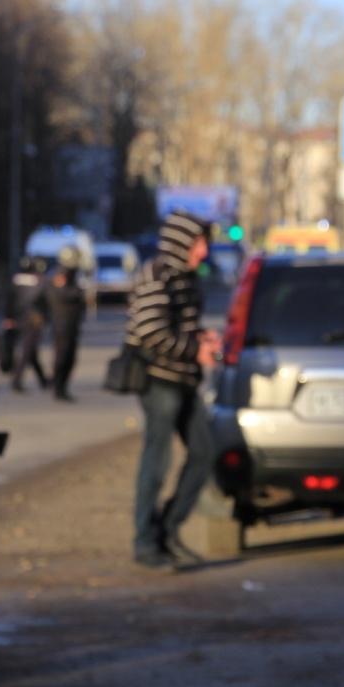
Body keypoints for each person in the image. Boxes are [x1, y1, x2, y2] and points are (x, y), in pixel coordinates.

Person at [125, 211, 222, 569]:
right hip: (158, 381)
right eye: (199, 243)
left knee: (204, 453)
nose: (204, 251)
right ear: (182, 243)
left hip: (185, 379)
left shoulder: (187, 278)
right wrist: (194, 349)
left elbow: (177, 327)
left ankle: (169, 528)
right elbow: (151, 331)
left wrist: (201, 339)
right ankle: (145, 542)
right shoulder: (156, 275)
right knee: (157, 461)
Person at [45, 246, 85, 402]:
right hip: (62, 323)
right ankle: (58, 388)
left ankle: (63, 387)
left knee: (70, 357)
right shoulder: (60, 274)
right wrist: (79, 294)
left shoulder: (72, 274)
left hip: (71, 323)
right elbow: (60, 294)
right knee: (62, 356)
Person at [8, 256, 50, 392]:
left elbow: (9, 299)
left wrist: (8, 317)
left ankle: (43, 380)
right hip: (33, 320)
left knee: (31, 351)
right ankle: (17, 380)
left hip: (19, 318)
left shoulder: (16, 279)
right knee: (27, 350)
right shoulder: (40, 281)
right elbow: (45, 301)